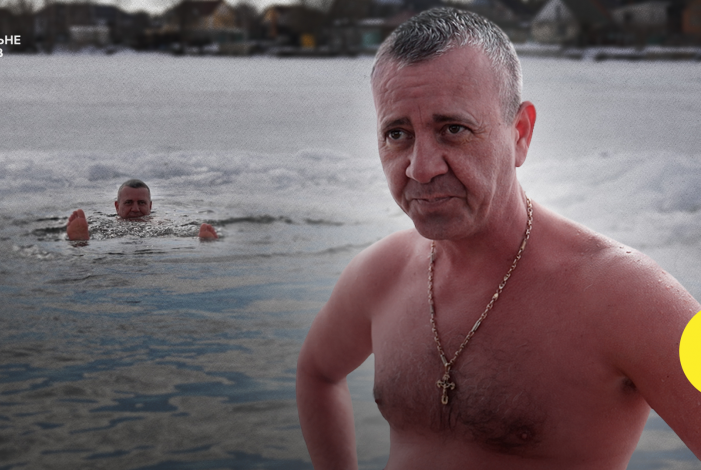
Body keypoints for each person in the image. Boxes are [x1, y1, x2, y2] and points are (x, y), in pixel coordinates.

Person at [296, 8, 700, 469]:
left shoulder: (629, 297)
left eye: (454, 130)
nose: (421, 168)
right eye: (398, 134)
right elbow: (317, 373)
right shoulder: (379, 274)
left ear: (520, 134)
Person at [66, 179, 218, 241]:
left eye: (141, 203)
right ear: (117, 206)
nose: (135, 209)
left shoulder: (160, 222)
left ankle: (202, 241)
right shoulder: (104, 224)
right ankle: (81, 241)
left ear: (150, 206)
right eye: (128, 203)